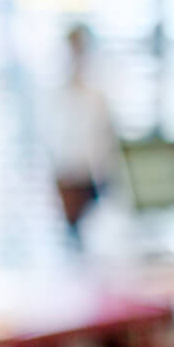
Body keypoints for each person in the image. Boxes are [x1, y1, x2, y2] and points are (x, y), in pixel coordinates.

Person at [48, 24, 116, 245]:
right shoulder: (57, 94)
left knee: (92, 234)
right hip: (67, 172)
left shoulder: (98, 95)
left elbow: (105, 141)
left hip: (93, 176)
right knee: (71, 240)